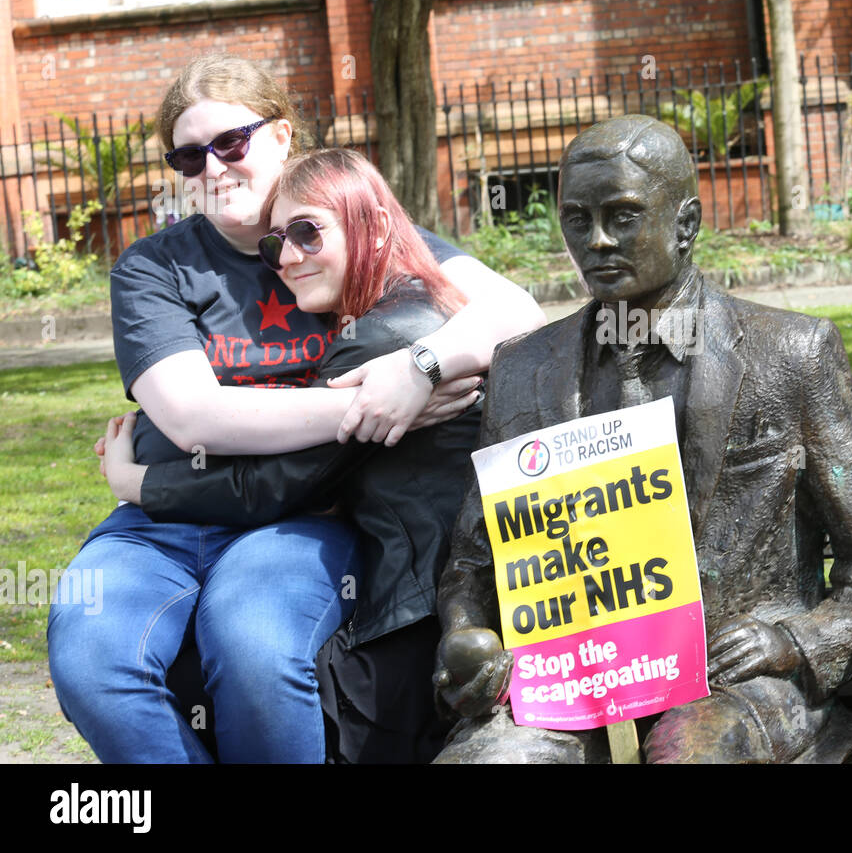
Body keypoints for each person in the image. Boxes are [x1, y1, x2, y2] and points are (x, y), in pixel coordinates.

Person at [47, 55, 545, 764]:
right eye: (190, 156)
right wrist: (373, 404)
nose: (212, 168)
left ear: (281, 136)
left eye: (230, 143)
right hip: (161, 523)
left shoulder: (332, 225)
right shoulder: (154, 268)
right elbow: (192, 417)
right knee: (91, 660)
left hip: (292, 523)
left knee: (256, 650)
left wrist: (418, 366)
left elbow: (516, 311)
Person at [432, 115, 852, 763]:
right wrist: (467, 642)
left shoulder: (793, 356)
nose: (597, 241)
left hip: (735, 687)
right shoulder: (521, 371)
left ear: (686, 225)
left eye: (623, 217)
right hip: (572, 685)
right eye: (577, 219)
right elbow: (473, 564)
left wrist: (793, 642)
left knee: (690, 752)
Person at [100, 148, 482, 763]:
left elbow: (271, 486)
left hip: (416, 619)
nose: (288, 257)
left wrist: (136, 482)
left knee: (235, 672)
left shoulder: (384, 338)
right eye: (275, 243)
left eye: (309, 232)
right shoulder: (415, 309)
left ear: (375, 225)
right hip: (427, 592)